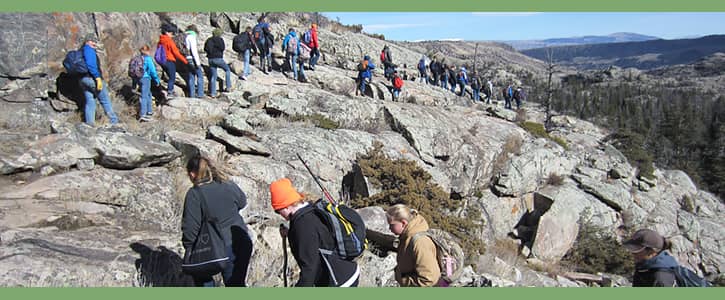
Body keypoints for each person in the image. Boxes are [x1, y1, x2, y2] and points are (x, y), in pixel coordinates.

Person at [270, 178, 360, 287]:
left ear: (286, 205)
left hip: (338, 281)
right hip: (346, 271)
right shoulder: (310, 211)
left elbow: (310, 267)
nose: (279, 214)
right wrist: (290, 234)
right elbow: (316, 240)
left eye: (278, 210)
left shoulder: (302, 225)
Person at [181, 156, 253, 287]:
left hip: (215, 248)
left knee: (203, 281)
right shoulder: (227, 183)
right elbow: (242, 202)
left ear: (192, 174)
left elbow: (190, 229)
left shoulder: (194, 194)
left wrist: (190, 249)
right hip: (241, 240)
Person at [386, 204, 441, 287]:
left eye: (391, 225)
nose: (389, 228)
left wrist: (404, 281)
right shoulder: (406, 236)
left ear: (403, 223)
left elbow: (429, 279)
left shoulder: (420, 242)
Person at [78, 33, 119, 126]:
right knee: (105, 99)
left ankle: (90, 123)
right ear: (88, 41)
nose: (94, 44)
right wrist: (97, 77)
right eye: (93, 41)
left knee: (90, 101)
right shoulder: (88, 50)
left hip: (82, 79)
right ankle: (114, 121)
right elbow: (91, 64)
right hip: (92, 79)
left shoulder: (81, 51)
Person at [158, 24, 189, 99]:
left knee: (170, 76)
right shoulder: (169, 41)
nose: (173, 35)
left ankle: (169, 90)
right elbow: (176, 53)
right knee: (172, 77)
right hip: (169, 60)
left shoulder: (161, 40)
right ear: (167, 32)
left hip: (162, 61)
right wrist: (185, 61)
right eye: (171, 33)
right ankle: (170, 92)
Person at [205, 28, 232, 97]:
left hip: (210, 59)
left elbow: (205, 48)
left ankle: (213, 93)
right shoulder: (220, 40)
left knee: (213, 76)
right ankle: (228, 87)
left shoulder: (209, 40)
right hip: (218, 58)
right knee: (227, 70)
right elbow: (223, 48)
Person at [138, 45, 160, 122]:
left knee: (148, 94)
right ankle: (143, 114)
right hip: (146, 78)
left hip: (138, 78)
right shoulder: (148, 59)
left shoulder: (138, 58)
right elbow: (152, 71)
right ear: (147, 51)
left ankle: (149, 111)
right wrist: (157, 80)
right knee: (144, 95)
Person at [184, 25, 204, 99]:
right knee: (200, 75)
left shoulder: (185, 37)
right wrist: (198, 63)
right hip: (192, 59)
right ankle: (200, 94)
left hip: (187, 58)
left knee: (191, 76)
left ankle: (191, 94)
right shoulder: (192, 37)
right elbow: (194, 51)